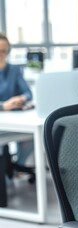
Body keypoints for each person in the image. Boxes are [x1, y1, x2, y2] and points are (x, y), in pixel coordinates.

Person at [0, 33, 34, 171]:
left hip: (14, 118)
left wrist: (21, 98)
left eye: (4, 51)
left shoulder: (14, 70)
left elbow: (28, 93)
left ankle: (18, 165)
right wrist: (3, 106)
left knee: (31, 136)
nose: (1, 54)